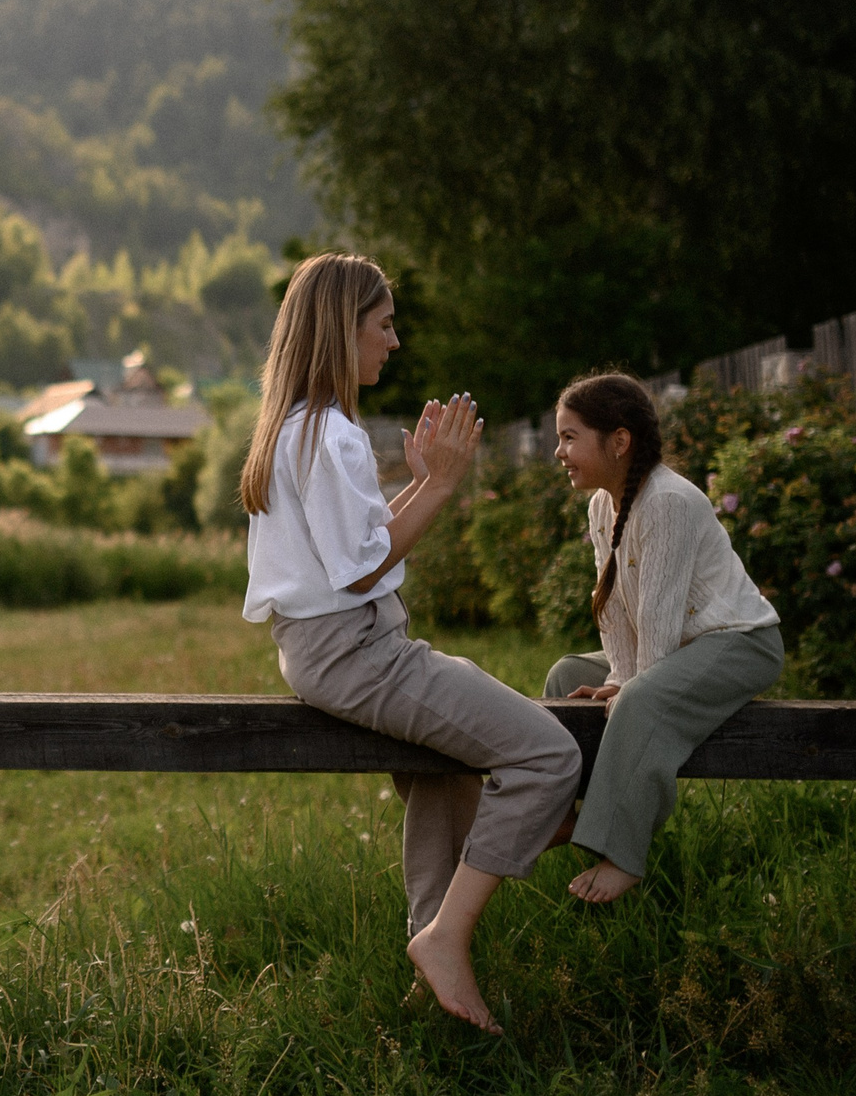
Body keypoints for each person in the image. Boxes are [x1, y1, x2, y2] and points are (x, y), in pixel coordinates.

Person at [242, 253, 583, 1033]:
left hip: (333, 648)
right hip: (356, 649)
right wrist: (440, 483)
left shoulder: (302, 427)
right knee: (547, 755)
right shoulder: (331, 432)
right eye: (384, 323)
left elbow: (348, 546)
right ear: (342, 326)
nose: (394, 342)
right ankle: (446, 936)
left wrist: (417, 481)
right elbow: (361, 570)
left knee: (445, 774)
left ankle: (434, 974)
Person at [543, 374, 784, 902]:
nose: (558, 451)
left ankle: (622, 853)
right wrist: (618, 676)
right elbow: (615, 609)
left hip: (737, 644)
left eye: (569, 437)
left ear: (619, 441)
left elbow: (659, 617)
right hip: (682, 647)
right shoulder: (602, 506)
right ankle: (564, 815)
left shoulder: (669, 501)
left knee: (641, 697)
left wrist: (632, 684)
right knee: (567, 675)